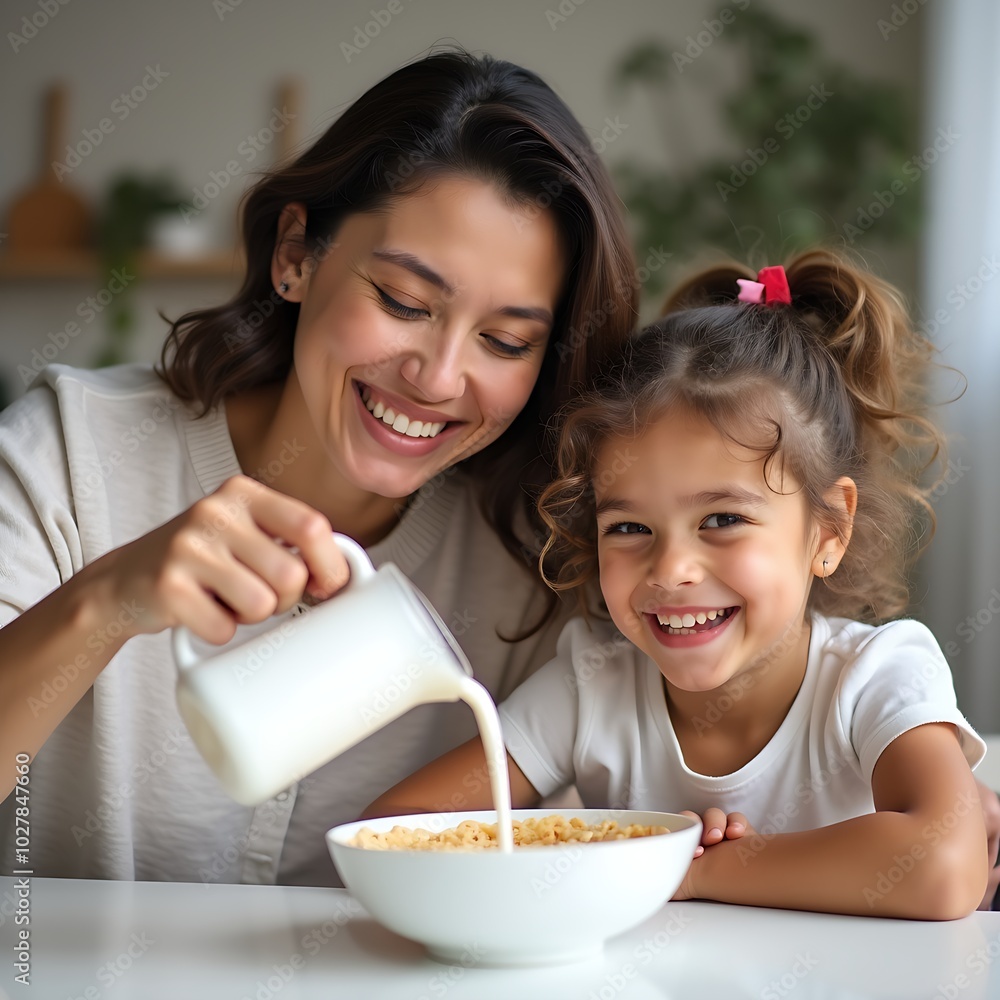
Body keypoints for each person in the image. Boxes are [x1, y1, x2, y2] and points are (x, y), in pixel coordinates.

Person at [0, 50, 640, 884]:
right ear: (296, 255)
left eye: (505, 341)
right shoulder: (69, 454)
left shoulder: (535, 562)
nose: (439, 378)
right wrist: (108, 601)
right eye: (404, 303)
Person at [365, 250, 991, 918]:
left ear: (828, 530)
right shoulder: (594, 685)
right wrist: (609, 860)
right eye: (629, 528)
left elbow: (944, 865)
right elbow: (396, 831)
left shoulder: (877, 675)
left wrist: (697, 872)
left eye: (723, 519)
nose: (671, 570)